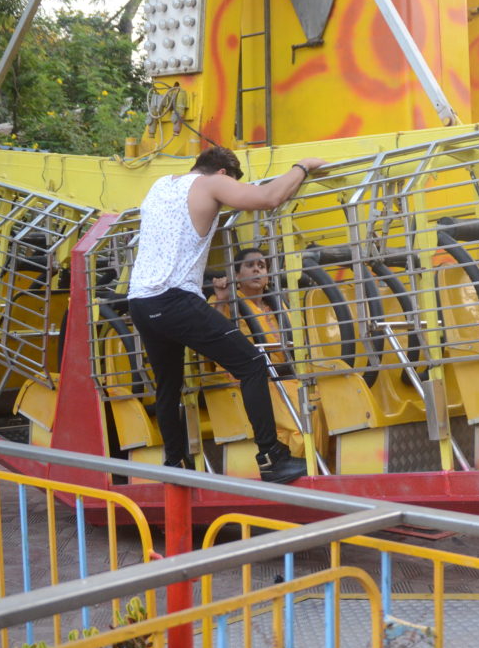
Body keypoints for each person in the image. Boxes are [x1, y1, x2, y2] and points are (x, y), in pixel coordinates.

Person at [127, 146, 327, 483]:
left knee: (168, 386)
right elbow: (268, 198)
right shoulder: (210, 184)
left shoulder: (161, 184)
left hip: (140, 301)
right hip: (174, 298)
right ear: (223, 174)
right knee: (251, 363)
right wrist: (303, 166)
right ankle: (271, 458)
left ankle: (175, 466)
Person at [210, 248, 329, 460]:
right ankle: (300, 468)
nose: (257, 269)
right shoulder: (225, 301)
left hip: (286, 376)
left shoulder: (276, 304)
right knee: (300, 424)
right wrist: (221, 300)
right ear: (237, 275)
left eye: (261, 266)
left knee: (321, 407)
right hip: (251, 379)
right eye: (250, 265)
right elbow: (212, 336)